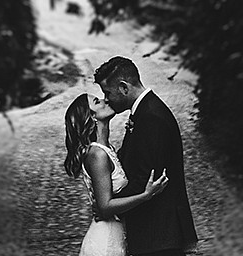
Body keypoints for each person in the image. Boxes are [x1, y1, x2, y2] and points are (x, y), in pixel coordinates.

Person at [95, 56, 198, 256]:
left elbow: (144, 179)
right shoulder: (145, 111)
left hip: (158, 234)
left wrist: (108, 206)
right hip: (155, 234)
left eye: (107, 92)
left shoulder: (151, 117)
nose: (106, 99)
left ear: (124, 88)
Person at [64, 92, 170, 256]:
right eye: (97, 101)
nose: (105, 100)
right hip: (105, 243)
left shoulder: (107, 149)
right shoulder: (97, 155)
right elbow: (105, 208)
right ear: (92, 117)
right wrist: (145, 195)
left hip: (117, 236)